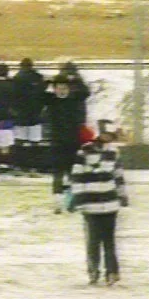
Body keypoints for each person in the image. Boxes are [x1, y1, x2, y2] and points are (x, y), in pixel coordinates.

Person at [68, 119, 129, 286]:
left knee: (109, 240)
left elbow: (118, 176)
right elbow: (77, 176)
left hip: (110, 203)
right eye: (104, 134)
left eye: (110, 135)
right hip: (91, 204)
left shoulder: (114, 153)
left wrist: (122, 195)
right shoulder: (84, 152)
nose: (107, 138)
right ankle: (93, 271)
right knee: (93, 240)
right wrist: (77, 197)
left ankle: (112, 271)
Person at [43, 75, 90, 213]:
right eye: (59, 88)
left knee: (72, 174)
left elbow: (85, 92)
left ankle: (71, 201)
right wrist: (47, 82)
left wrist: (76, 79)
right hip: (57, 143)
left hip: (73, 143)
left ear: (69, 89)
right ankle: (57, 202)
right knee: (58, 174)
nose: (62, 91)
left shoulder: (74, 100)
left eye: (64, 88)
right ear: (54, 89)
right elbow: (38, 94)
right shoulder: (51, 100)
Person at [11, 58, 47, 175]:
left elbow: (13, 98)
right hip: (35, 116)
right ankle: (34, 168)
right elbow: (43, 96)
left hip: (21, 116)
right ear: (32, 66)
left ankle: (18, 167)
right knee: (34, 143)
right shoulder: (38, 78)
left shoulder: (16, 79)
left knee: (19, 142)